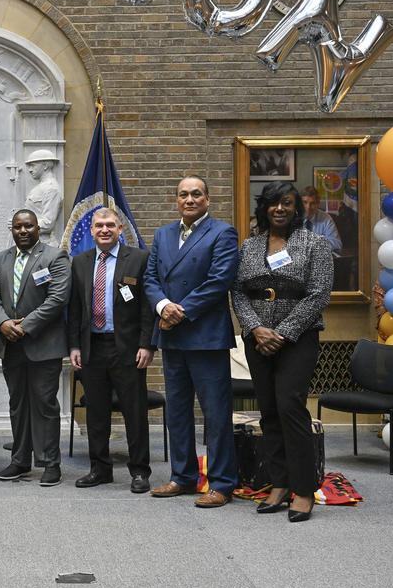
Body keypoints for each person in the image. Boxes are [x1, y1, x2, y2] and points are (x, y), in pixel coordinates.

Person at [231, 182, 332, 523]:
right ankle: (279, 482)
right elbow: (239, 292)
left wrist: (283, 332)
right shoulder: (250, 245)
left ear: (296, 208)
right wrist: (255, 329)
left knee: (290, 406)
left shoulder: (314, 243)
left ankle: (303, 489)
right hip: (257, 338)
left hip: (298, 338)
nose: (280, 209)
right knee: (269, 409)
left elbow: (318, 294)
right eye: (274, 203)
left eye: (287, 203)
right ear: (265, 208)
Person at [143, 175, 239, 508]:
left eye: (196, 194)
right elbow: (150, 278)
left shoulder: (223, 233)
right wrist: (162, 306)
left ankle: (222, 482)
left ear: (207, 200)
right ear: (176, 200)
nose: (189, 199)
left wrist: (180, 311)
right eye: (183, 194)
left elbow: (219, 281)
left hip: (206, 336)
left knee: (215, 413)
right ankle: (182, 477)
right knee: (179, 412)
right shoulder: (162, 234)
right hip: (171, 336)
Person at [67, 207, 156, 493]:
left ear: (120, 229)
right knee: (95, 412)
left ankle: (140, 471)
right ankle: (100, 469)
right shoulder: (80, 262)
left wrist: (147, 344)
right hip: (92, 347)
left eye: (110, 225)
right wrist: (74, 346)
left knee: (134, 411)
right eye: (98, 226)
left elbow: (146, 307)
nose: (104, 230)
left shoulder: (139, 259)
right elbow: (75, 308)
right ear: (91, 231)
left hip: (128, 348)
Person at [0, 209, 71, 486]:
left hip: (42, 344)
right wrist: (3, 324)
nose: (23, 231)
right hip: (10, 344)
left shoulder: (54, 257)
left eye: (28, 226)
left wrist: (25, 325)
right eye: (18, 227)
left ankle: (50, 463)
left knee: (45, 404)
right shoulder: (0, 259)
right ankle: (20, 460)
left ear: (38, 228)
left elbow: (57, 299)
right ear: (12, 229)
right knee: (18, 403)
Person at [23, 150, 63, 245]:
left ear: (45, 166)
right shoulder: (41, 187)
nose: (30, 170)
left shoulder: (51, 188)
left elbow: (48, 223)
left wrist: (21, 225)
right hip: (33, 242)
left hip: (44, 245)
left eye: (33, 165)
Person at [300, 186, 343, 256]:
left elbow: (337, 243)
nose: (308, 207)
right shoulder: (292, 217)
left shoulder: (326, 219)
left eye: (312, 203)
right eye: (305, 202)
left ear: (317, 204)